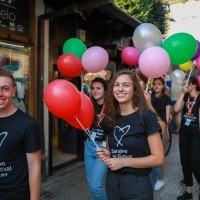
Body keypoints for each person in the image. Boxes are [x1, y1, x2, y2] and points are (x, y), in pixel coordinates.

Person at [97, 69, 164, 200]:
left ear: (135, 90)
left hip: (137, 185)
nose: (120, 89)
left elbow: (158, 158)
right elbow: (113, 150)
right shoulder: (110, 117)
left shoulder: (146, 116)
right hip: (112, 183)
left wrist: (123, 162)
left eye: (126, 85)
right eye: (116, 85)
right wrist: (108, 154)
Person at [0, 67, 41, 200]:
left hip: (15, 194)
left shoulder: (27, 124)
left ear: (13, 91)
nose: (0, 93)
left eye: (5, 88)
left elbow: (34, 166)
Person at [135, 70, 166, 189]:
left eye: (138, 80)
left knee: (147, 190)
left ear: (146, 83)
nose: (135, 83)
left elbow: (162, 127)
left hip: (150, 152)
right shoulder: (126, 101)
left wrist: (149, 105)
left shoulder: (157, 101)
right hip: (134, 153)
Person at [174, 76, 200, 200]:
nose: (185, 85)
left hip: (196, 131)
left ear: (194, 84)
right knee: (185, 162)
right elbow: (176, 109)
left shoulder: (199, 97)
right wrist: (182, 93)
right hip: (184, 129)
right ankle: (188, 193)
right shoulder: (185, 96)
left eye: (187, 83)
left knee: (194, 163)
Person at [84, 77, 108, 200]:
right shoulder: (89, 105)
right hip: (89, 146)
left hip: (102, 148)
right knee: (90, 183)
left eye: (98, 88)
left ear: (105, 90)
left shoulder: (111, 108)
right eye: (93, 88)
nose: (95, 91)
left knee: (95, 186)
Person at [152, 77, 171, 191]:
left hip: (161, 129)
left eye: (159, 84)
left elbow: (167, 118)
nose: (156, 86)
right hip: (149, 129)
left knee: (160, 155)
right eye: (155, 84)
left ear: (163, 86)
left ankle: (160, 179)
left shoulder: (166, 99)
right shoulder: (148, 96)